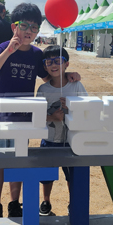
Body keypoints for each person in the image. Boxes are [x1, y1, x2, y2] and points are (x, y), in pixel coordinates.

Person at [0, 3, 81, 218]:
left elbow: (49, 77)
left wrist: (68, 74)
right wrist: (8, 51)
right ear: (13, 27)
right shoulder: (3, 47)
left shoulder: (37, 54)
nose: (29, 31)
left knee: (18, 160)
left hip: (24, 117)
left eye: (34, 27)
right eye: (24, 25)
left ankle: (14, 203)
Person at [36, 45, 87, 216]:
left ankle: (73, 202)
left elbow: (88, 109)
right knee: (46, 174)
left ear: (67, 64)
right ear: (44, 66)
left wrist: (72, 109)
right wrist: (53, 118)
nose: (53, 65)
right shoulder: (43, 90)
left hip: (72, 141)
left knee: (72, 175)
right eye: (48, 62)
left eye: (58, 61)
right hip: (49, 139)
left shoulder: (76, 85)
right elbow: (37, 115)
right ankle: (46, 200)